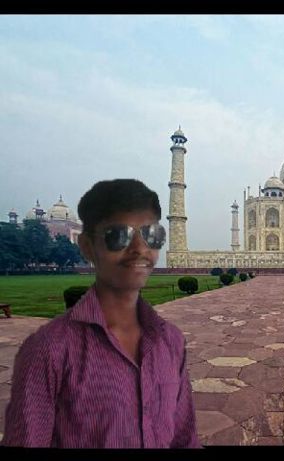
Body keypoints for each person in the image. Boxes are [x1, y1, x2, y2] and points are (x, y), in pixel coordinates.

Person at [2, 179, 201, 448]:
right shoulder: (49, 351)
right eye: (118, 236)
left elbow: (184, 438)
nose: (139, 248)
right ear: (86, 246)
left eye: (150, 235)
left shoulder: (171, 341)